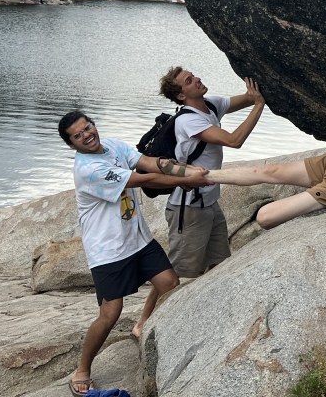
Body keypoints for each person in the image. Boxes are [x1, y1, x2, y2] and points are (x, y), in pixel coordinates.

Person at [58, 110, 211, 396]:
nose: (87, 135)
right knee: (110, 313)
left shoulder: (112, 146)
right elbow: (140, 180)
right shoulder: (88, 169)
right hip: (108, 249)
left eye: (87, 127)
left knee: (168, 283)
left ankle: (141, 326)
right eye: (78, 135)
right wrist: (185, 179)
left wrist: (182, 170)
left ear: (93, 124)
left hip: (138, 238)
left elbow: (148, 162)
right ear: (71, 144)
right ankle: (82, 369)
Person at [157, 68, 266, 278]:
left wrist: (256, 91)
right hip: (189, 207)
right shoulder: (188, 121)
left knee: (220, 264)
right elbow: (234, 140)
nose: (198, 79)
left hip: (209, 203)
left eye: (194, 75)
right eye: (189, 80)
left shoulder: (211, 104)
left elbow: (249, 98)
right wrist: (259, 105)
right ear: (181, 95)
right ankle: (156, 302)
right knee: (179, 275)